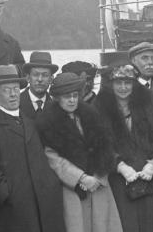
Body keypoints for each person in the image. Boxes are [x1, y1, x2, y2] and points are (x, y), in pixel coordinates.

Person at [0, 65, 65, 232]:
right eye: (6, 90)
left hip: (43, 205)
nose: (13, 94)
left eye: (16, 88)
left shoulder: (31, 122)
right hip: (12, 212)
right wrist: (8, 195)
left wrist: (50, 186)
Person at [36, 72, 123, 232]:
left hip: (99, 184)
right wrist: (81, 178)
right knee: (77, 225)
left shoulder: (91, 115)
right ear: (57, 98)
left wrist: (99, 175)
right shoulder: (48, 123)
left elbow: (105, 146)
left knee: (103, 225)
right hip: (72, 189)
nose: (72, 100)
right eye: (67, 96)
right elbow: (54, 159)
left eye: (75, 95)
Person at [94, 65, 153, 232]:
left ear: (134, 84)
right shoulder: (98, 108)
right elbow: (98, 144)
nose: (123, 87)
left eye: (128, 82)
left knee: (150, 223)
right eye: (118, 82)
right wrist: (120, 166)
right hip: (118, 178)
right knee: (125, 224)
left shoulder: (150, 103)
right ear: (110, 84)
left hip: (150, 174)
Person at [20, 51, 58, 120]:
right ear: (28, 78)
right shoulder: (17, 104)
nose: (40, 79)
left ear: (51, 79)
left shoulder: (56, 107)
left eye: (45, 75)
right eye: (35, 74)